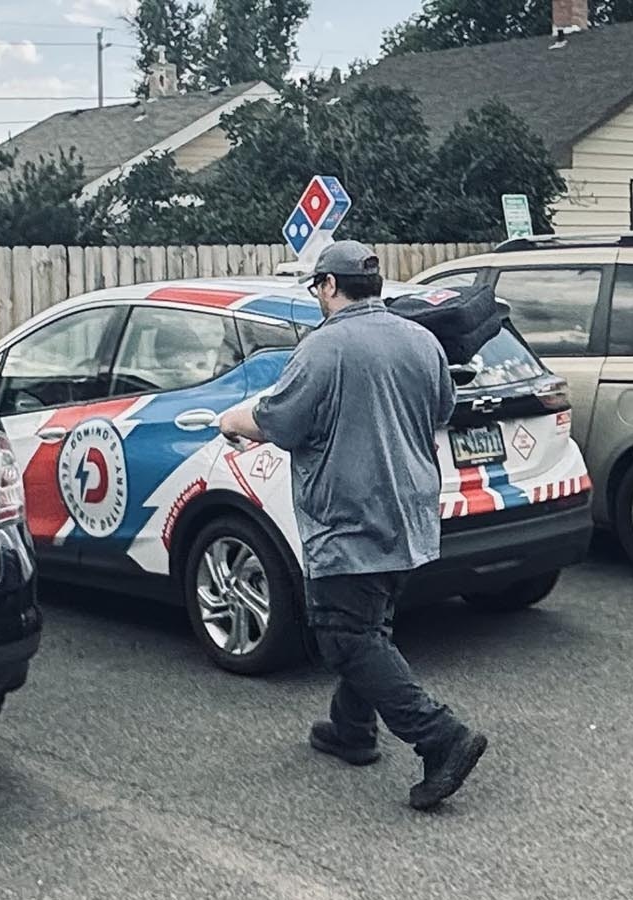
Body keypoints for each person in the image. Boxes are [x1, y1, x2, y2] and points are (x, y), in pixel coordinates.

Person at [217, 240, 488, 811]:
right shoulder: (421, 341)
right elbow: (442, 410)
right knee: (370, 625)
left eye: (317, 286)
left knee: (344, 637)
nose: (317, 296)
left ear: (330, 286)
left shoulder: (325, 348)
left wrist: (229, 419)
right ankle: (351, 731)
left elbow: (279, 420)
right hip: (410, 512)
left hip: (350, 517)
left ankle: (441, 737)